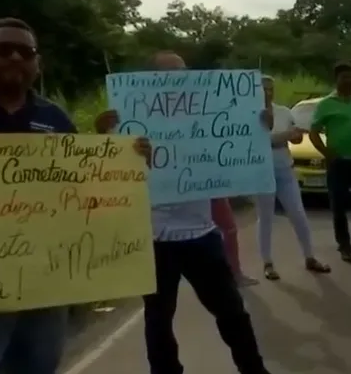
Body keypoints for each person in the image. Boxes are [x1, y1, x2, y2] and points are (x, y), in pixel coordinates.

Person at [0, 18, 148, 374]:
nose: (16, 57)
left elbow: (81, 191)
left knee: (38, 367)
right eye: (4, 49)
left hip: (45, 285)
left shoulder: (54, 117)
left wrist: (125, 161)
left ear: (38, 63)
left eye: (27, 51)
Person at [96, 50, 270, 374]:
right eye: (169, 74)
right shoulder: (127, 119)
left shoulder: (207, 115)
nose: (179, 80)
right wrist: (103, 134)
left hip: (201, 235)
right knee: (159, 319)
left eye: (183, 73)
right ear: (150, 81)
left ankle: (254, 370)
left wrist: (259, 124)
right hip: (154, 238)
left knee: (232, 312)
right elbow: (105, 172)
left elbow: (245, 139)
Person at [255, 75, 330, 280]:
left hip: (285, 169)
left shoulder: (284, 111)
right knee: (266, 218)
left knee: (298, 213)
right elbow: (260, 141)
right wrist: (284, 136)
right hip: (262, 172)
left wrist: (292, 136)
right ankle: (268, 262)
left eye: (271, 88)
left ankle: (309, 257)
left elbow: (295, 138)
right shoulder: (251, 113)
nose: (268, 92)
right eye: (264, 89)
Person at [309, 61, 351, 263]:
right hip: (338, 163)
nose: (348, 80)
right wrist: (326, 152)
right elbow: (314, 133)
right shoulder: (326, 104)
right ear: (336, 79)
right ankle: (345, 247)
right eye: (343, 77)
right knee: (338, 207)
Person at [211, 197, 258, 286]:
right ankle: (235, 274)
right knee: (229, 230)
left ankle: (231, 274)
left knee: (223, 231)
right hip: (211, 193)